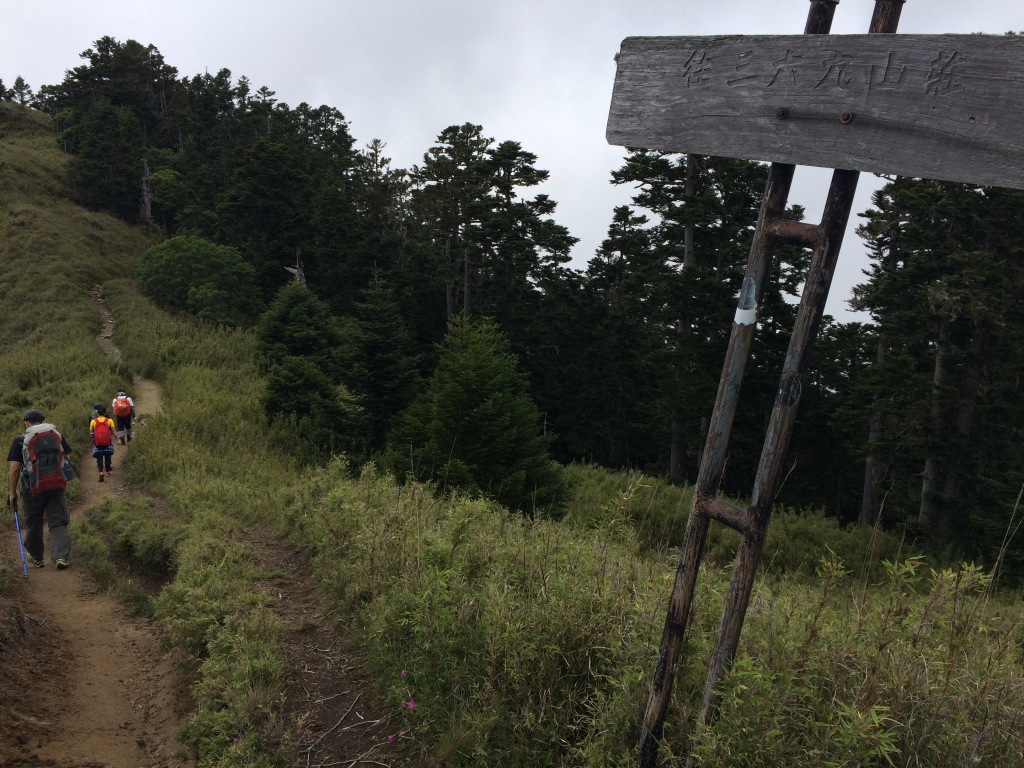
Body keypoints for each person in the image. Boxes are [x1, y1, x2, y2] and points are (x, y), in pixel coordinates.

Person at [7, 409, 73, 569]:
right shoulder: (55, 435)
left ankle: (37, 558)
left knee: (34, 522)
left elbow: (15, 468)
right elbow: (67, 458)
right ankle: (60, 557)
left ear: (26, 423)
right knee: (58, 522)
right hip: (56, 484)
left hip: (32, 488)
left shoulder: (20, 440)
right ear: (44, 420)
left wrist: (12, 493)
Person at [90, 405, 116, 482]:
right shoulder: (109, 420)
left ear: (98, 413)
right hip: (107, 442)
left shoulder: (93, 421)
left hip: (97, 442)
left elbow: (91, 433)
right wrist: (118, 439)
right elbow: (114, 431)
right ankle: (107, 472)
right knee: (107, 456)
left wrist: (93, 440)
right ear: (105, 413)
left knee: (99, 458)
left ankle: (101, 472)